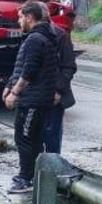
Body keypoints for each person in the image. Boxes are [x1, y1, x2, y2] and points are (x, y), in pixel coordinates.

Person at [2, 0, 61, 195]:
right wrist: (9, 85)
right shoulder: (43, 37)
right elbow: (22, 66)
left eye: (20, 17)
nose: (18, 22)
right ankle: (35, 177)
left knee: (25, 138)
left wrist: (15, 92)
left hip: (33, 100)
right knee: (33, 139)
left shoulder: (35, 39)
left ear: (29, 17)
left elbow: (29, 70)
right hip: (37, 98)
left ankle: (25, 178)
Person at [43, 12, 77, 154]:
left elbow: (69, 66)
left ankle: (53, 162)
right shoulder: (29, 35)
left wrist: (58, 90)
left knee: (52, 134)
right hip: (36, 94)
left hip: (54, 96)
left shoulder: (60, 35)